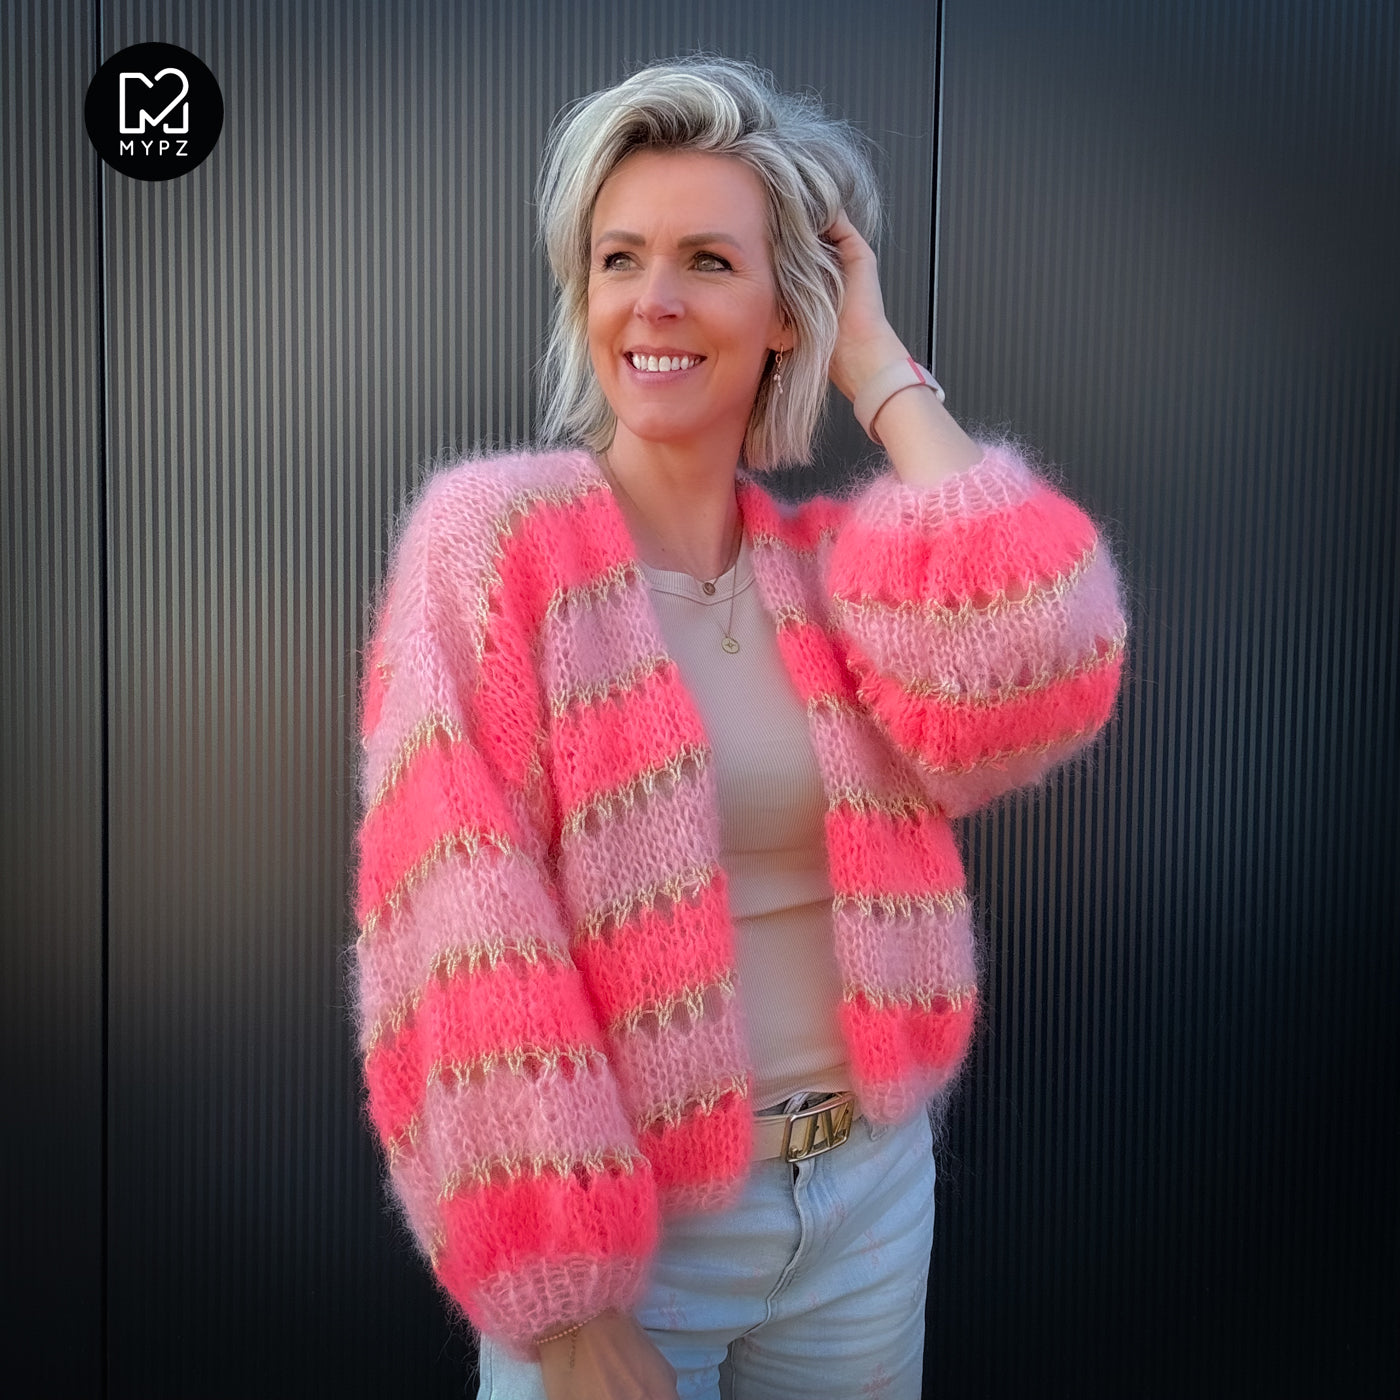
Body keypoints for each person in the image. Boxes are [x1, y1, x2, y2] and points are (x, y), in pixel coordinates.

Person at [352, 56, 1125, 1400]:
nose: (653, 300)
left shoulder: (838, 570)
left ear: (784, 311)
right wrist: (566, 1302)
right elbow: (452, 923)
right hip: (634, 1235)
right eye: (618, 259)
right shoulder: (494, 546)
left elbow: (1038, 667)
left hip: (869, 1196)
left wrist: (880, 370)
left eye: (709, 261)